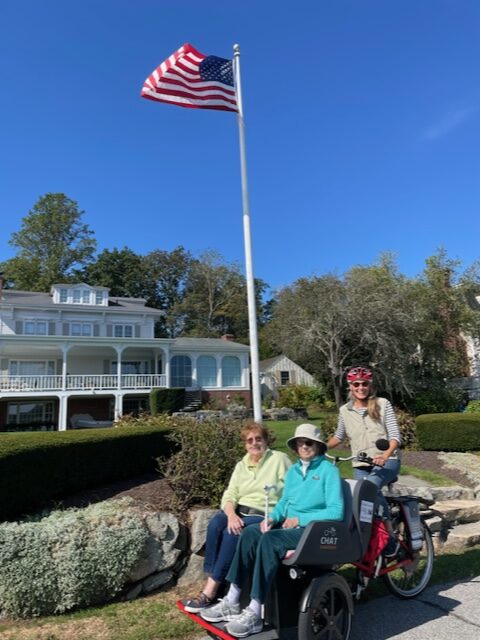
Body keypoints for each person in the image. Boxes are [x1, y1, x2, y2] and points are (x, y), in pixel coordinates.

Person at [199, 423, 344, 638]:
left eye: (309, 442)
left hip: (313, 531)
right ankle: (232, 599)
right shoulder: (294, 471)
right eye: (300, 443)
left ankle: (255, 611)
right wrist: (273, 517)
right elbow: (284, 501)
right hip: (290, 528)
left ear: (318, 446)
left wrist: (300, 519)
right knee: (250, 533)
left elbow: (336, 511)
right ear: (295, 446)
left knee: (270, 541)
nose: (304, 446)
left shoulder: (328, 471)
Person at [184, 423, 291, 613]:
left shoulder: (279, 459)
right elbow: (230, 494)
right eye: (250, 440)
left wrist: (284, 516)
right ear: (245, 444)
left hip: (264, 514)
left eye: (258, 439)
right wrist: (231, 514)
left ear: (266, 440)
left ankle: (210, 592)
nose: (254, 443)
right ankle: (215, 581)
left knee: (232, 532)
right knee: (216, 524)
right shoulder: (242, 465)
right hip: (240, 510)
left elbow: (292, 490)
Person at [327, 365, 401, 556]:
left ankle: (390, 538)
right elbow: (339, 436)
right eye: (356, 384)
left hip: (387, 461)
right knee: (358, 501)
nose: (361, 387)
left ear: (370, 385)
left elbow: (395, 436)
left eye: (364, 384)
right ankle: (368, 539)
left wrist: (385, 455)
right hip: (361, 464)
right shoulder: (345, 410)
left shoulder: (382, 404)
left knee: (368, 488)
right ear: (350, 386)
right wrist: (320, 448)